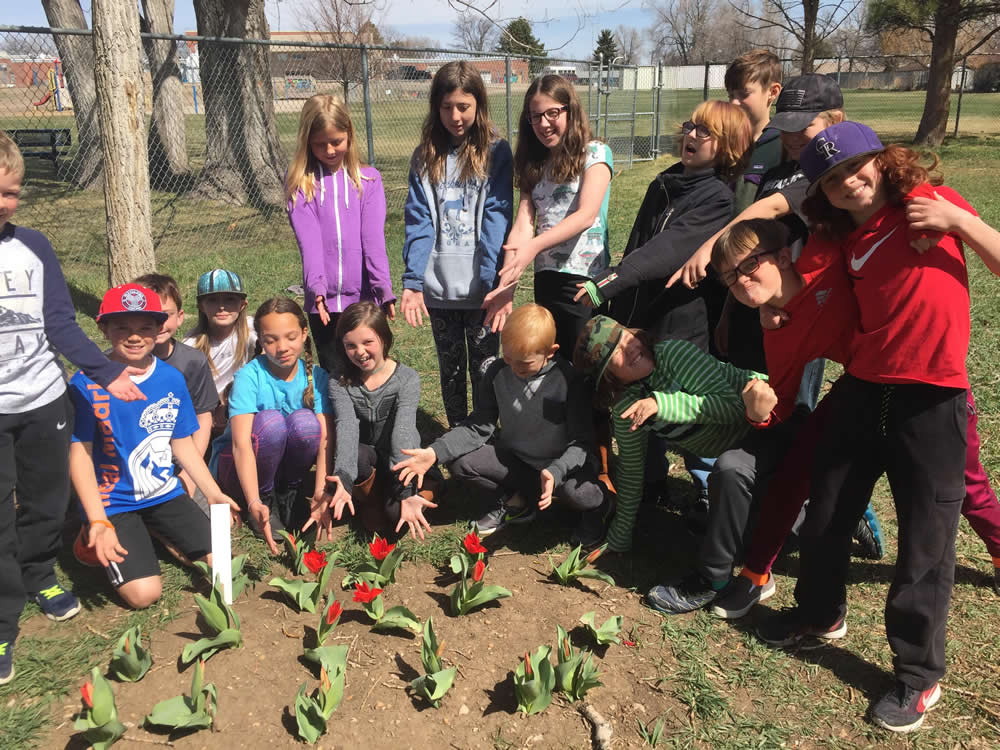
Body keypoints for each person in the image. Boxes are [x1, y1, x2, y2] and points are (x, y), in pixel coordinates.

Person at [754, 121, 991, 733]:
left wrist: (960, 224)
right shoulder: (843, 232)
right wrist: (780, 299)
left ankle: (917, 674)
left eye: (857, 167)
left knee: (925, 538)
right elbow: (809, 283)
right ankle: (820, 613)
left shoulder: (928, 205)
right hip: (864, 387)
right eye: (832, 180)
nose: (849, 182)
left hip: (933, 397)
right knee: (829, 509)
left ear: (885, 160)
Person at [0, 132, 145, 685]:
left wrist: (107, 373)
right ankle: (3, 615)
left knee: (45, 498)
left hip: (42, 396)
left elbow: (59, 323)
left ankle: (39, 572)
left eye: (12, 193)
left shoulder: (33, 247)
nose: (4, 204)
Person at [68, 284, 242, 611]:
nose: (135, 336)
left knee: (220, 563)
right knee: (144, 595)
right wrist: (97, 520)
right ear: (102, 327)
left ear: (159, 328)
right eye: (122, 327)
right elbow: (79, 455)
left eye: (145, 327)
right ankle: (89, 537)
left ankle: (151, 527)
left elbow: (182, 444)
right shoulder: (84, 383)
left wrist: (213, 492)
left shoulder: (171, 379)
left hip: (163, 492)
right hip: (113, 500)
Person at [394, 303, 608, 545]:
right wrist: (434, 453)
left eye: (524, 364)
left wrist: (556, 470)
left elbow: (582, 443)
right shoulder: (497, 372)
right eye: (508, 358)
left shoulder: (570, 381)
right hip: (520, 463)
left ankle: (597, 510)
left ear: (550, 351)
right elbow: (479, 425)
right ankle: (519, 499)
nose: (515, 369)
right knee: (460, 461)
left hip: (563, 468)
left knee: (580, 494)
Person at [573, 315, 771, 554]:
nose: (630, 347)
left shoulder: (674, 354)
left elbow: (734, 409)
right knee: (749, 540)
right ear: (608, 375)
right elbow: (632, 470)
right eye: (616, 350)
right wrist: (618, 539)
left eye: (626, 336)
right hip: (742, 453)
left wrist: (663, 404)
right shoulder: (628, 406)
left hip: (770, 418)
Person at [401, 61, 513, 427]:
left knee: (485, 370)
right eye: (446, 106)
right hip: (439, 290)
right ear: (436, 106)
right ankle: (456, 438)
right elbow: (419, 220)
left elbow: (498, 217)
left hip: (482, 292)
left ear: (478, 105)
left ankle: (482, 436)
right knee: (450, 372)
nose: (455, 115)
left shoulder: (496, 153)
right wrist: (414, 281)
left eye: (463, 106)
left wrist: (493, 282)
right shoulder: (424, 156)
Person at [482, 74, 612, 356]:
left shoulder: (596, 153)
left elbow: (586, 216)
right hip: (547, 279)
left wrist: (533, 247)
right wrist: (507, 287)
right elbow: (523, 226)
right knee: (553, 363)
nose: (543, 123)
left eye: (552, 113)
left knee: (584, 366)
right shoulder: (535, 164)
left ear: (570, 110)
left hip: (584, 281)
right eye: (535, 116)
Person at [286, 93, 396, 373]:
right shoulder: (302, 186)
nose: (330, 150)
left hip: (363, 299)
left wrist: (383, 288)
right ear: (308, 142)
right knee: (334, 373)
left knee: (366, 369)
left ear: (349, 135)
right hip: (322, 304)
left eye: (337, 141)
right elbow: (308, 243)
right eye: (320, 144)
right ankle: (335, 418)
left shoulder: (369, 181)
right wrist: (317, 290)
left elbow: (373, 241)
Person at [213, 297, 331, 551]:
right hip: (237, 468)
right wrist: (254, 500)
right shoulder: (249, 377)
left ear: (304, 333)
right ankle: (265, 498)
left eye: (290, 337)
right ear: (261, 341)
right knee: (272, 423)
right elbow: (240, 444)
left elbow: (324, 442)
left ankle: (290, 492)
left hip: (284, 467)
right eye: (271, 340)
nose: (282, 347)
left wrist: (320, 492)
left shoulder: (317, 377)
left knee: (307, 424)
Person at [320, 302, 437, 541]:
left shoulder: (406, 378)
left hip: (400, 457)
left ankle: (429, 485)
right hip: (369, 458)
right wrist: (343, 476)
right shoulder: (339, 380)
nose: (360, 352)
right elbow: (347, 426)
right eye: (350, 345)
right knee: (359, 454)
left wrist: (405, 489)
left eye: (367, 342)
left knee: (396, 514)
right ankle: (369, 498)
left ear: (383, 338)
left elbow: (402, 431)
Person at [132, 273, 218, 499]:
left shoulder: (193, 362)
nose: (157, 324)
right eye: (147, 316)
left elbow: (203, 418)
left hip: (182, 461)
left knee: (204, 526)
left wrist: (190, 476)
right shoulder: (112, 366)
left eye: (165, 315)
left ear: (180, 317)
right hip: (130, 464)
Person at [182, 268, 256, 431]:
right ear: (201, 306)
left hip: (242, 407)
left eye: (230, 299)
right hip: (204, 414)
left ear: (243, 304)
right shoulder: (191, 344)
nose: (222, 307)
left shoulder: (252, 329)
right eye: (213, 300)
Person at [724, 49, 784, 213]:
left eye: (744, 94)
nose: (734, 103)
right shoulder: (721, 142)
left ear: (773, 92)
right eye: (730, 95)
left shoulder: (785, 146)